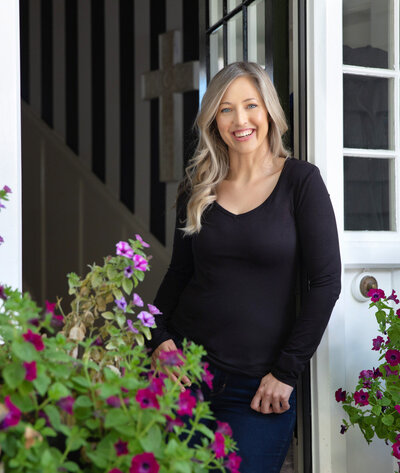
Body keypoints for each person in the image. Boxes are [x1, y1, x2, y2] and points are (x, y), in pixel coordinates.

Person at [145, 61, 342, 473]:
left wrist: (285, 372)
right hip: (186, 376)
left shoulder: (301, 182)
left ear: (269, 110)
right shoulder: (198, 189)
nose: (241, 120)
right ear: (214, 120)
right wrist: (158, 337)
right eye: (226, 109)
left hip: (257, 389)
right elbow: (180, 275)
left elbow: (325, 283)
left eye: (250, 105)